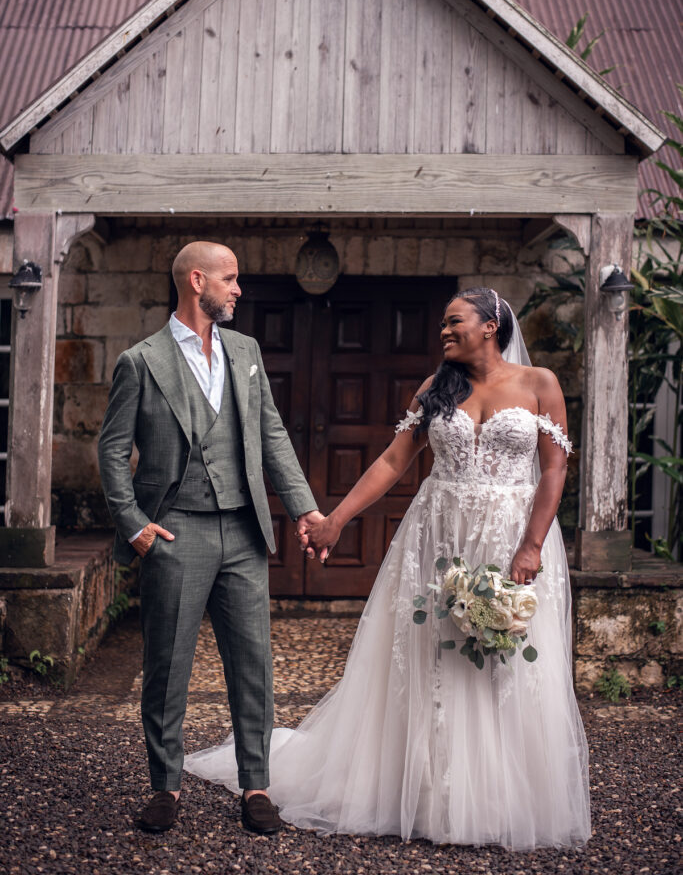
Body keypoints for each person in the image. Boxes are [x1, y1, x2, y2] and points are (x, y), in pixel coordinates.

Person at [184, 287, 591, 850]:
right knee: (436, 658)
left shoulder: (539, 383)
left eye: (455, 322)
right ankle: (431, 794)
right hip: (438, 535)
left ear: (492, 325)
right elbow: (395, 460)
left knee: (505, 661)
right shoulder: (435, 388)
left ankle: (501, 799)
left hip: (510, 533)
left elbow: (553, 471)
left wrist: (531, 545)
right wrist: (335, 521)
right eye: (442, 325)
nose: (444, 332)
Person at [98, 241, 323, 835]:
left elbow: (272, 435)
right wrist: (133, 524)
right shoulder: (141, 361)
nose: (238, 289)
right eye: (231, 279)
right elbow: (112, 450)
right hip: (176, 530)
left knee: (254, 665)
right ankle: (164, 787)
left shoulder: (245, 351)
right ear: (197, 281)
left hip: (244, 532)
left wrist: (302, 508)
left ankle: (256, 786)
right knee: (167, 666)